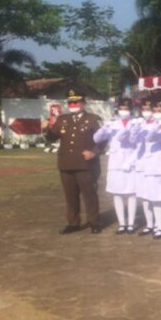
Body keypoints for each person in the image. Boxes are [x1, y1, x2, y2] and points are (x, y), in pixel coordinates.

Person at [41, 89, 103, 234]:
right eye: (70, 102)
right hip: (66, 163)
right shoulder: (63, 119)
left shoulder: (93, 119)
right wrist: (45, 130)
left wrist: (93, 153)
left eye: (75, 101)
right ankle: (73, 222)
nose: (73, 104)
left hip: (85, 164)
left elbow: (103, 140)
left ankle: (95, 222)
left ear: (83, 103)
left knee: (90, 194)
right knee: (70, 196)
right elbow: (52, 138)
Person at [93, 99, 138, 234]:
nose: (124, 111)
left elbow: (138, 145)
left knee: (132, 194)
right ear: (117, 109)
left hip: (130, 162)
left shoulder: (136, 123)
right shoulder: (112, 124)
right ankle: (121, 223)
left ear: (131, 110)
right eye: (122, 108)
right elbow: (96, 139)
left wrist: (131, 161)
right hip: (115, 162)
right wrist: (103, 129)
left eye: (127, 108)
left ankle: (130, 223)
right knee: (117, 194)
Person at [137, 101, 161, 239]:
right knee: (155, 198)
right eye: (155, 110)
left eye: (159, 110)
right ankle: (158, 226)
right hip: (151, 165)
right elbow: (147, 139)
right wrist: (155, 126)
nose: (157, 113)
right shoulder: (148, 125)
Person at [131, 101, 155, 235]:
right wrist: (135, 128)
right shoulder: (140, 124)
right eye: (144, 109)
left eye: (148, 108)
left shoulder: (160, 123)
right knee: (144, 196)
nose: (146, 111)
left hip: (155, 164)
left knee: (156, 196)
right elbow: (132, 141)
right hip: (141, 164)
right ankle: (149, 223)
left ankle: (160, 224)